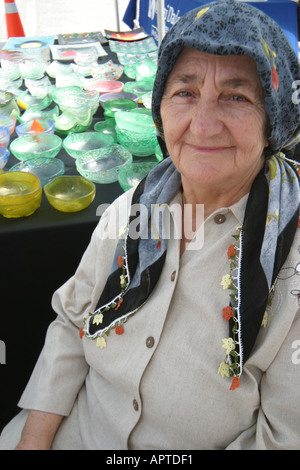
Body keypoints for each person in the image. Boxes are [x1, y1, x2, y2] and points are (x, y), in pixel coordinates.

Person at [1, 0, 300, 450]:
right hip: (74, 431)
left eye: (236, 97)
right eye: (185, 92)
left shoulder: (289, 259)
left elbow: (281, 437)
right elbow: (72, 320)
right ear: (160, 108)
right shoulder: (138, 205)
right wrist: (33, 442)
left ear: (273, 121)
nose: (203, 124)